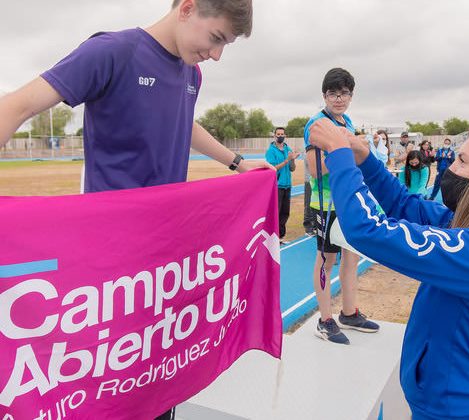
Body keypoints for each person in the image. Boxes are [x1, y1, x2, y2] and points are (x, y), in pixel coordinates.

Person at [0, 1, 271, 419]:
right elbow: (15, 105)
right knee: (107, 381)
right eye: (217, 39)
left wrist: (235, 162)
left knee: (158, 377)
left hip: (164, 261)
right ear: (187, 9)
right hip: (109, 270)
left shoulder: (190, 73)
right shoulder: (111, 52)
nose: (217, 55)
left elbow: (184, 119)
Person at [309, 122, 469, 419]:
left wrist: (339, 157)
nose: (449, 168)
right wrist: (365, 159)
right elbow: (403, 203)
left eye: (462, 161)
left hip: (458, 412)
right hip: (448, 406)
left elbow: (367, 230)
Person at [303, 67, 379, 345]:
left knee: (351, 257)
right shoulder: (316, 124)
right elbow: (313, 167)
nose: (338, 99)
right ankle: (325, 320)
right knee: (327, 260)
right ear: (324, 95)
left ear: (351, 96)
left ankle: (349, 313)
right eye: (333, 93)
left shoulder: (346, 121)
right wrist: (344, 153)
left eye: (344, 93)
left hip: (349, 200)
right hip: (325, 203)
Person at [265, 127, 300, 243]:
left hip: (287, 185)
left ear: (285, 136)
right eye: (278, 134)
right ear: (274, 136)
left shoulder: (287, 148)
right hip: (277, 185)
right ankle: (272, 237)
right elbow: (272, 168)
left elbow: (292, 169)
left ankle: (280, 237)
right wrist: (286, 160)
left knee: (285, 212)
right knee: (276, 212)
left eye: (282, 134)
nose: (280, 136)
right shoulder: (271, 150)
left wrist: (293, 160)